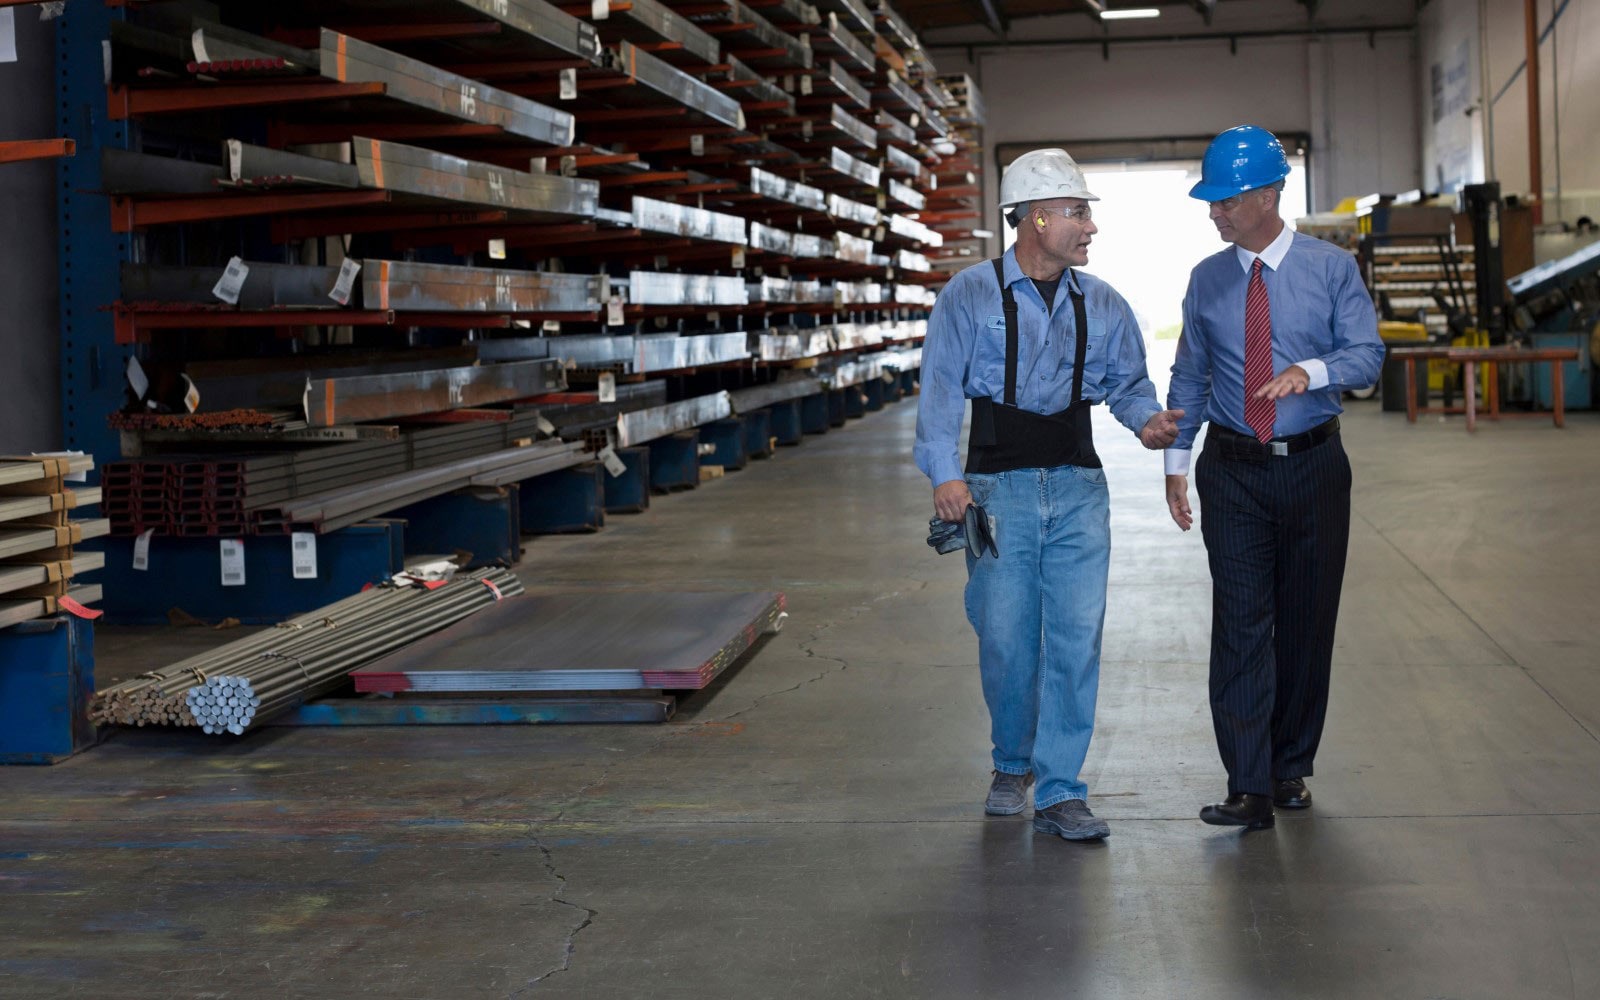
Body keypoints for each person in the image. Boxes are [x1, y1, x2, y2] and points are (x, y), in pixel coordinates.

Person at [915, 148, 1184, 842]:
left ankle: (1062, 787)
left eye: (1087, 212)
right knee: (1006, 638)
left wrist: (1147, 423)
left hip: (1077, 489)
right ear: (1035, 217)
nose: (1089, 227)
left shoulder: (1105, 303)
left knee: (1074, 640)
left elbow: (1127, 387)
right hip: (996, 489)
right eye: (1077, 212)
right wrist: (944, 473)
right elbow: (941, 390)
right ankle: (1012, 764)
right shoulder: (968, 296)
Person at [1164, 125, 1383, 830]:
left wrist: (1309, 372)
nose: (1215, 212)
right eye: (1211, 201)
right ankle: (1247, 784)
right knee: (1240, 624)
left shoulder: (1331, 269)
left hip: (1316, 467)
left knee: (1305, 623)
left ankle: (1290, 768)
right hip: (1233, 471)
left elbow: (1367, 356)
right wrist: (1176, 461)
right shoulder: (1207, 278)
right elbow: (1191, 373)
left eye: (1227, 199)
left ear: (1269, 193)